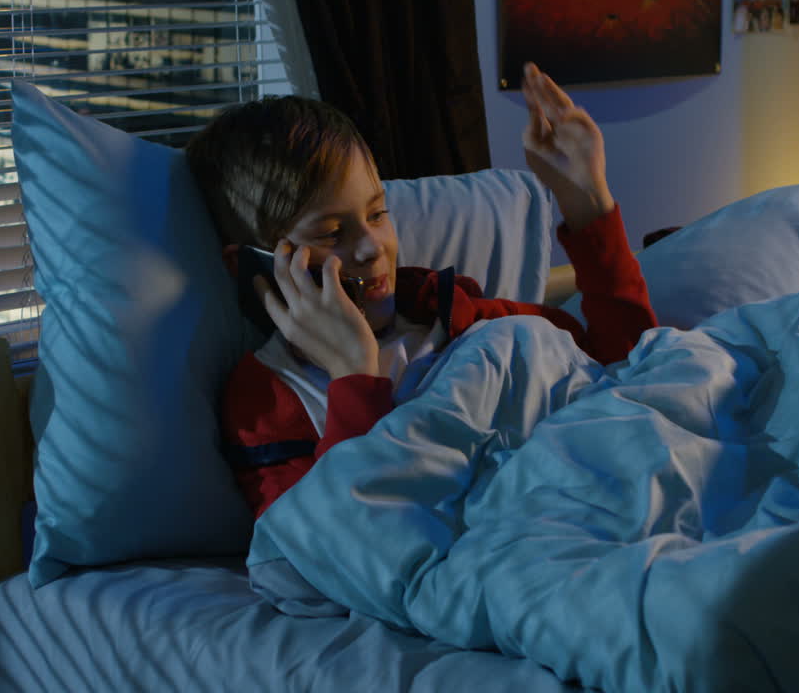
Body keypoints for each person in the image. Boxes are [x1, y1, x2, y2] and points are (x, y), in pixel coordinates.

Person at [185, 63, 658, 518]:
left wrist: (586, 199)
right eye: (331, 233)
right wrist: (354, 374)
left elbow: (625, 369)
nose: (372, 247)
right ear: (256, 268)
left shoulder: (450, 311)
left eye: (376, 214)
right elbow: (337, 544)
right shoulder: (268, 399)